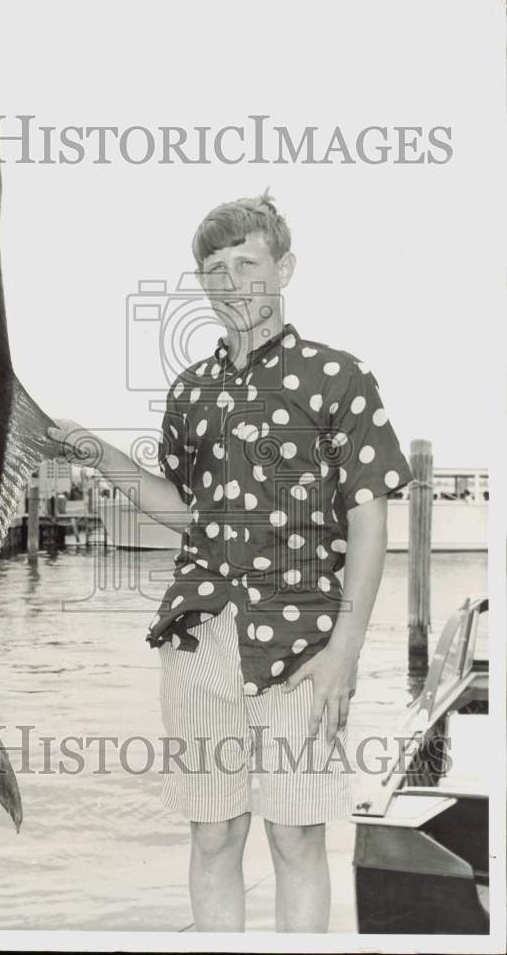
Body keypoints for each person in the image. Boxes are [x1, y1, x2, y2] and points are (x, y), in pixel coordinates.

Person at [48, 192, 413, 932]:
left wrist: (345, 650)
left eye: (245, 263)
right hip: (201, 637)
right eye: (213, 270)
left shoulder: (338, 378)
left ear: (284, 269)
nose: (229, 282)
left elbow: (370, 520)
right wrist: (94, 448)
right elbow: (185, 509)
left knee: (296, 836)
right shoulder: (192, 392)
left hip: (304, 644)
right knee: (213, 836)